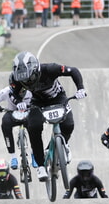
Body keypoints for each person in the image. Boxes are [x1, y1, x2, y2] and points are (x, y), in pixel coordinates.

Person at [11, 51, 87, 181]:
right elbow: (14, 94)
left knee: (68, 125)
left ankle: (63, 145)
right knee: (33, 127)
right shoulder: (15, 79)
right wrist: (19, 103)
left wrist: (80, 88)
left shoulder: (50, 69)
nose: (27, 82)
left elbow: (73, 70)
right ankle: (40, 166)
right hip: (36, 103)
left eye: (29, 78)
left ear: (36, 70)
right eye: (23, 80)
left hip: (58, 98)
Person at [0, 73, 36, 170]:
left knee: (34, 126)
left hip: (27, 113)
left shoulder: (31, 91)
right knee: (5, 123)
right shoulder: (5, 91)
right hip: (12, 113)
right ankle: (13, 157)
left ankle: (34, 154)